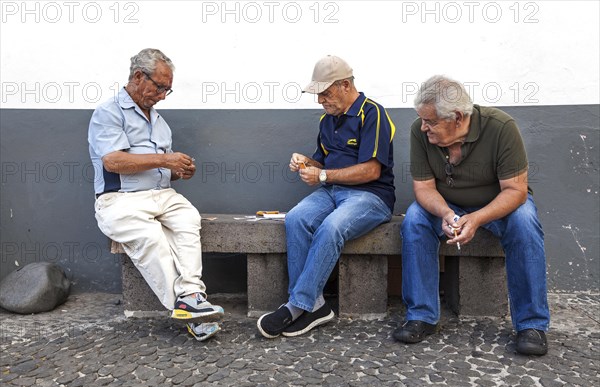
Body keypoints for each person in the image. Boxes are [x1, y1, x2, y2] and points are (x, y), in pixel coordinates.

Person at [395, 75, 550, 355]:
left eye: (430, 121)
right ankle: (422, 315)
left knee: (525, 221)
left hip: (495, 205)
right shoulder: (420, 132)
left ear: (456, 117)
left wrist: (477, 218)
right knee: (415, 219)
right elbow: (424, 188)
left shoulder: (501, 128)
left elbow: (516, 190)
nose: (423, 126)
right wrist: (445, 212)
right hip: (447, 204)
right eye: (422, 120)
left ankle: (531, 324)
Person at [88, 48, 224, 342]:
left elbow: (164, 170)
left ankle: (191, 294)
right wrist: (165, 160)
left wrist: (179, 170)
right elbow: (113, 161)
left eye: (167, 89)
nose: (163, 95)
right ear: (138, 76)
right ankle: (188, 304)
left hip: (162, 194)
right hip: (120, 199)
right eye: (160, 87)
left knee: (188, 219)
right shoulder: (108, 112)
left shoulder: (159, 121)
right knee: (151, 237)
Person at [257, 55, 396, 338]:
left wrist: (323, 177)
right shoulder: (327, 120)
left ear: (345, 85)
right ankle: (315, 305)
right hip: (332, 192)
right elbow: (323, 164)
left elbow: (371, 170)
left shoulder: (373, 113)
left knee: (332, 227)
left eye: (325, 92)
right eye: (318, 94)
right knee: (296, 218)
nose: (320, 100)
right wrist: (306, 162)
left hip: (371, 196)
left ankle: (296, 305)